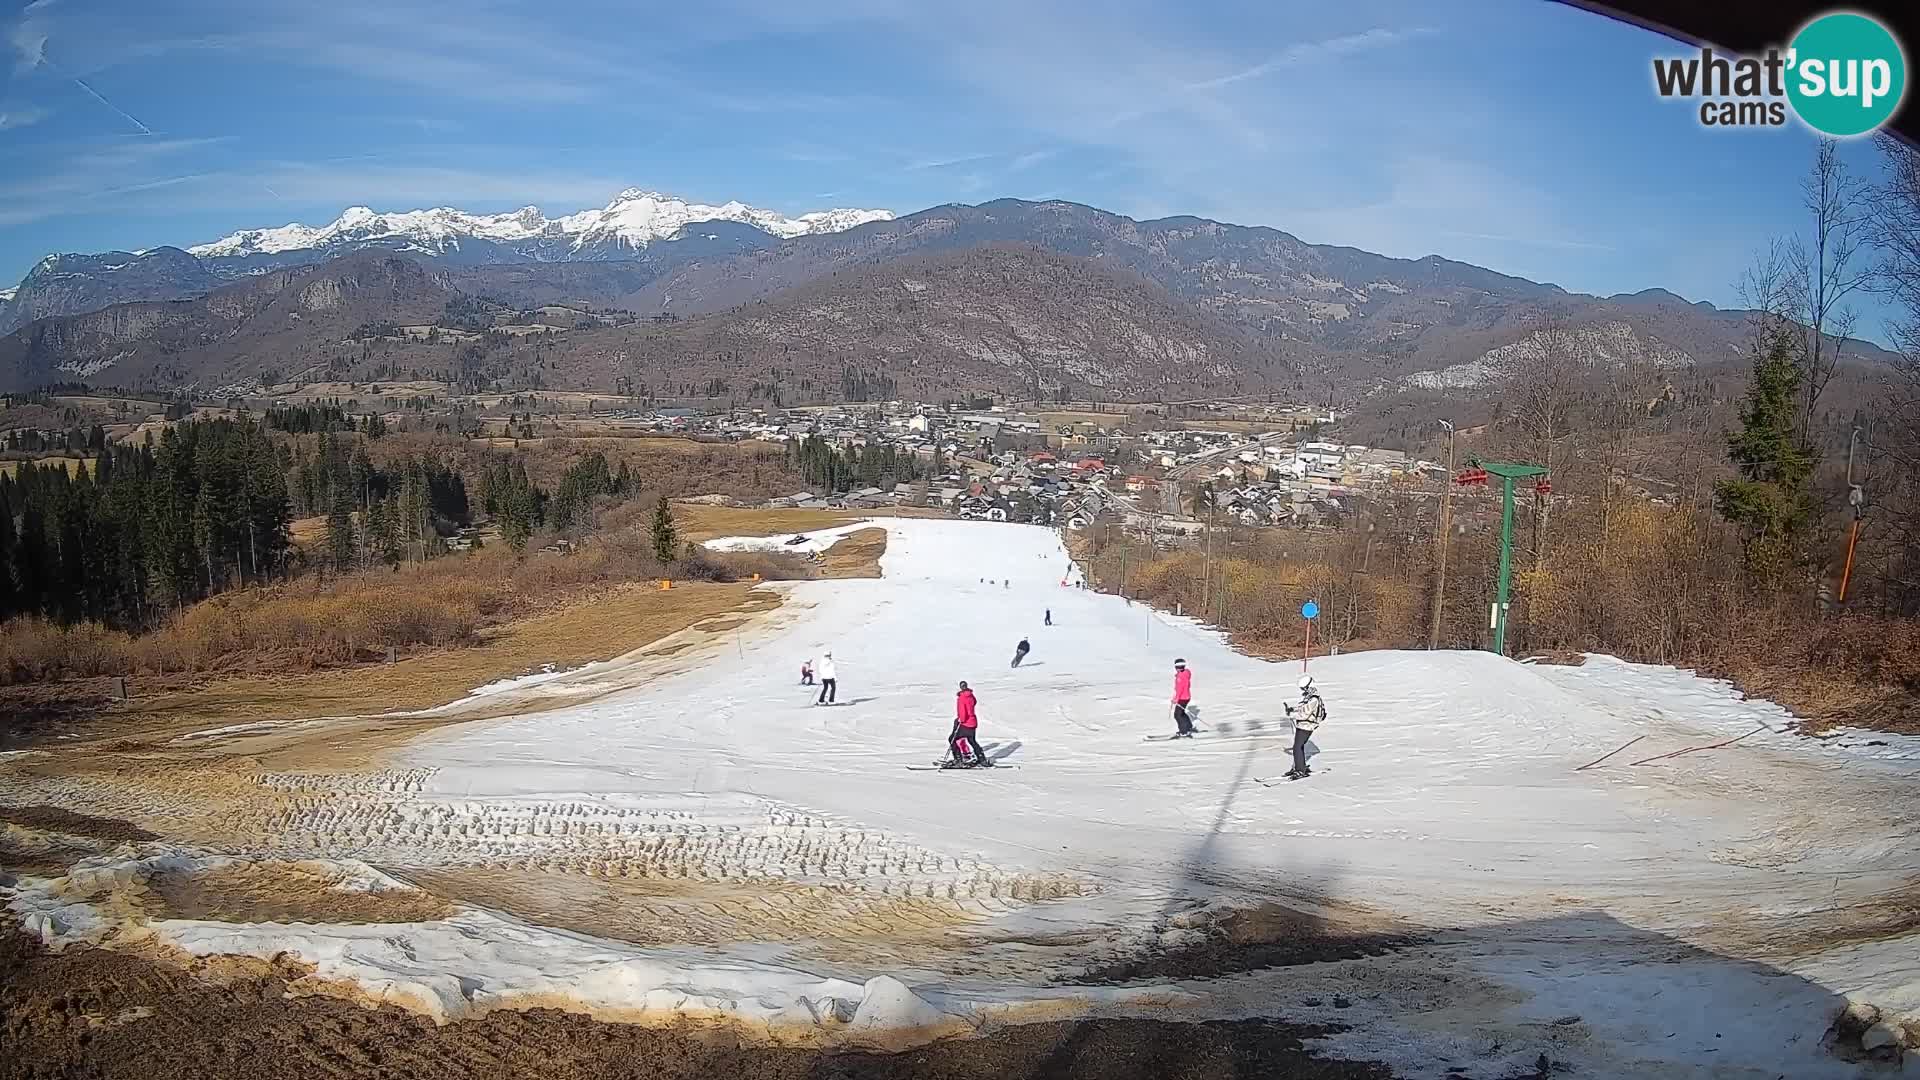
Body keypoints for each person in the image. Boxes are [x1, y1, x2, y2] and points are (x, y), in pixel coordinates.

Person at [1285, 674, 1326, 779]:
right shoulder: (1310, 697)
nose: (1303, 690)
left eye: (1304, 688)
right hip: (1303, 725)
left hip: (1307, 726)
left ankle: (1300, 770)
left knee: (1297, 747)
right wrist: (1293, 709)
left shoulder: (1314, 699)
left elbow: (1305, 714)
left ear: (1309, 686)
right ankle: (1300, 766)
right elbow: (1303, 707)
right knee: (1299, 746)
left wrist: (1293, 715)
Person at [945, 680, 991, 768]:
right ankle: (982, 759)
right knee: (972, 740)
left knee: (952, 739)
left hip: (965, 724)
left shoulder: (961, 698)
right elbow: (974, 702)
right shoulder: (971, 695)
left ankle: (958, 759)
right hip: (973, 723)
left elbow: (963, 714)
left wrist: (960, 720)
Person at [1171, 659, 1195, 737]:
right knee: (1182, 713)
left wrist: (1176, 699)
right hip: (1186, 697)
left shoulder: (1180, 677)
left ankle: (1184, 732)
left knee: (1177, 715)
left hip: (1182, 698)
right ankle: (1189, 727)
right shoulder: (1185, 673)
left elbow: (1180, 689)